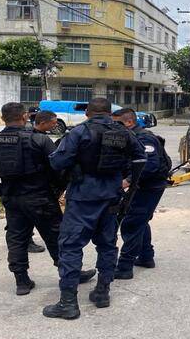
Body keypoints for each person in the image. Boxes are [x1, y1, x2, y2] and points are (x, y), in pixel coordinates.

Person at [43, 98, 145, 320]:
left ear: (87, 112)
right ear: (109, 112)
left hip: (82, 198)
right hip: (111, 198)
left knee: (70, 247)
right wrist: (129, 183)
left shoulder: (78, 132)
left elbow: (57, 162)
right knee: (107, 245)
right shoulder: (124, 133)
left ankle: (68, 303)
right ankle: (102, 293)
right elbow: (141, 158)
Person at [0, 102, 95, 296]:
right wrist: (57, 190)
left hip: (13, 199)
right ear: (25, 116)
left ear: (2, 118)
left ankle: (21, 281)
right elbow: (58, 167)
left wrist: (2, 192)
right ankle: (70, 274)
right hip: (41, 197)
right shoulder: (39, 140)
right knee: (57, 237)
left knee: (17, 238)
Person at [111, 108, 171, 280]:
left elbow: (149, 165)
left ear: (129, 122)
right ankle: (146, 257)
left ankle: (124, 267)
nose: (113, 127)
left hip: (150, 187)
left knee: (131, 223)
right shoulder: (129, 136)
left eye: (116, 124)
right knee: (140, 221)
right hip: (142, 185)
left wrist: (127, 181)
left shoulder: (144, 138)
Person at [25, 110, 60, 254]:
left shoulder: (30, 135)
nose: (55, 125)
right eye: (53, 123)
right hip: (37, 187)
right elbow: (55, 163)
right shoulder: (40, 139)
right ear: (43, 123)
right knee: (50, 224)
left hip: (19, 189)